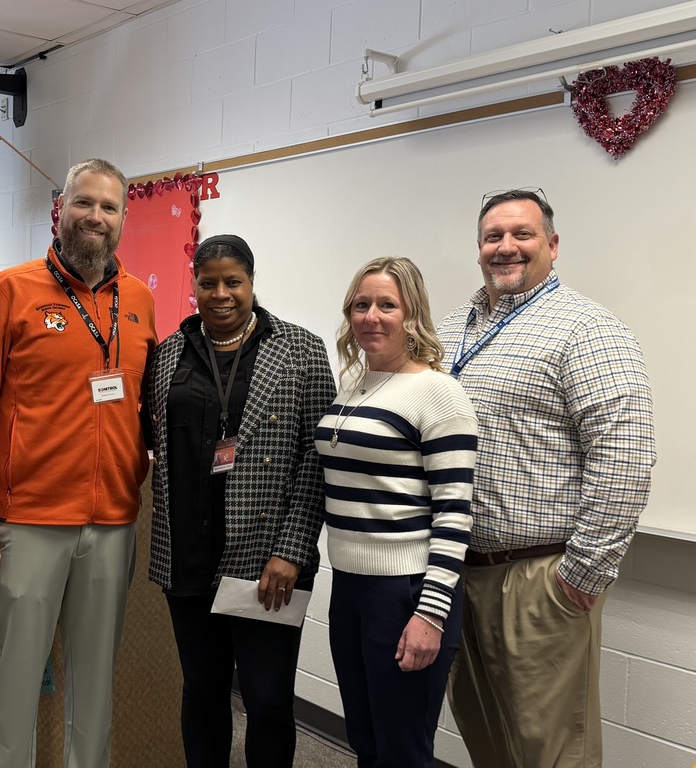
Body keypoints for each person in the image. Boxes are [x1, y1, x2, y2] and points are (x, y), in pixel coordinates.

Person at [437, 188, 656, 768]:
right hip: (458, 571)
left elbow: (626, 454)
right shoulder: (453, 326)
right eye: (493, 237)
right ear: (478, 248)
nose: (506, 247)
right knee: (486, 741)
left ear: (552, 246)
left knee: (551, 752)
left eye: (522, 235)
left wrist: (584, 571)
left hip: (538, 575)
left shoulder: (586, 329)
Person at [0, 158, 157, 768]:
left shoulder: (140, 300)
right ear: (59, 210)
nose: (96, 216)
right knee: (13, 686)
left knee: (94, 686)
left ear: (122, 219)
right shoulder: (9, 292)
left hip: (112, 522)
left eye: (109, 207)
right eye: (84, 203)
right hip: (28, 522)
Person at [147, 234, 336, 767]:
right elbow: (151, 435)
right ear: (194, 287)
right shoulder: (169, 353)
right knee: (201, 692)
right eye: (208, 283)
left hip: (267, 562)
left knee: (268, 700)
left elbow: (315, 457)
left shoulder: (300, 349)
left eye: (233, 282)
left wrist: (293, 550)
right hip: (186, 556)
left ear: (252, 283)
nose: (221, 294)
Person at [314, 257, 477, 768]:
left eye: (388, 305)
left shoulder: (438, 393)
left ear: (412, 315)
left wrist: (430, 614)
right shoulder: (356, 385)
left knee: (403, 752)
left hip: (405, 591)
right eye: (361, 305)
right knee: (365, 740)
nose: (371, 316)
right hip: (351, 586)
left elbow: (454, 513)